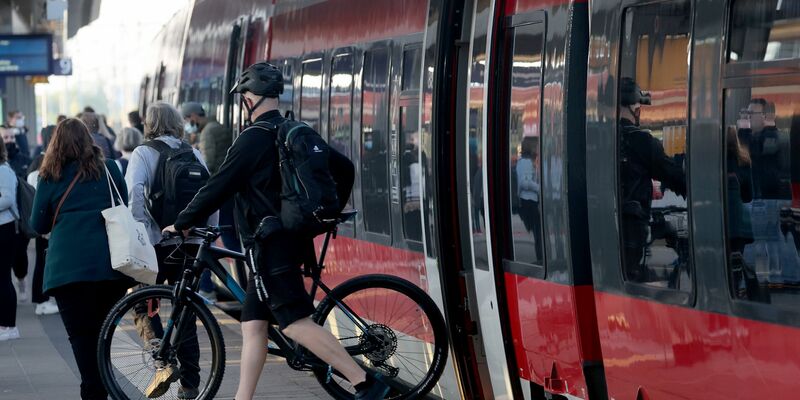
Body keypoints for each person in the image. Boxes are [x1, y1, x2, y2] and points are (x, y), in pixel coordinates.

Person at [163, 62, 390, 400]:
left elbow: (218, 187)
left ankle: (365, 383)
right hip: (283, 241)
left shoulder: (252, 139)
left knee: (294, 322)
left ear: (248, 100)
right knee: (253, 325)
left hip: (272, 246)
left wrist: (181, 222)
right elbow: (345, 168)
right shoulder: (295, 129)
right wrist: (324, 214)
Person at [29, 118, 134, 399]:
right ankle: (100, 385)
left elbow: (36, 225)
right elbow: (123, 205)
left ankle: (93, 389)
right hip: (111, 268)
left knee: (81, 336)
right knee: (104, 332)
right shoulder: (110, 169)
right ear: (90, 141)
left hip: (68, 272)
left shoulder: (49, 175)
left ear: (56, 144)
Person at [126, 101, 214, 399]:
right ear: (178, 123)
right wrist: (203, 234)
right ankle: (190, 387)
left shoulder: (143, 153)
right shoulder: (193, 153)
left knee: (143, 302)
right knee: (185, 310)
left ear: (149, 125)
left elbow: (134, 195)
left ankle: (162, 360)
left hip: (156, 245)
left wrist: (143, 232)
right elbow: (208, 194)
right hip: (188, 243)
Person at [618, 77, 686, 281]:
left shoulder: (596, 139)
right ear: (636, 109)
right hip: (631, 228)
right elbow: (672, 175)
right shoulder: (642, 141)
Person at [183, 101, 236, 296]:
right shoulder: (217, 128)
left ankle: (206, 288)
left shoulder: (208, 133)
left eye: (187, 120)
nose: (188, 124)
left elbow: (208, 167)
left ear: (193, 117)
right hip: (228, 193)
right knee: (227, 239)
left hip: (219, 195)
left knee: (207, 240)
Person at [26, 116, 65, 316]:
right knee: (44, 263)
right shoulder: (50, 164)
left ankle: (40, 299)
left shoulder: (34, 163)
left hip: (39, 221)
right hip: (48, 223)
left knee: (42, 262)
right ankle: (42, 300)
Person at [1, 126, 30, 301]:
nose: (9, 140)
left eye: (11, 136)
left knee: (20, 257)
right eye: (5, 137)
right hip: (6, 221)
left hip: (18, 218)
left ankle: (21, 280)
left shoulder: (23, 160)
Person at [0, 140, 21, 341]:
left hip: (4, 228)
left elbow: (7, 199)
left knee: (3, 278)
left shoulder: (4, 170)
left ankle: (9, 325)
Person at [516, 136, 543, 261]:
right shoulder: (526, 162)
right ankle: (540, 258)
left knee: (538, 233)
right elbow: (524, 182)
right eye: (536, 145)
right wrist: (539, 188)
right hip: (529, 202)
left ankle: (540, 257)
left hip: (528, 202)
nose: (538, 147)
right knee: (538, 234)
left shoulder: (524, 161)